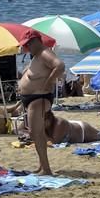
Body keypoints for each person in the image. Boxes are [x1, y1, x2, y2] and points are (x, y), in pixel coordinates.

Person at [18, 29, 65, 175]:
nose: (27, 47)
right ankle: (42, 165)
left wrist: (48, 82)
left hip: (39, 98)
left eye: (28, 44)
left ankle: (46, 169)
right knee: (36, 133)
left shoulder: (45, 53)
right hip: (33, 99)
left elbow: (60, 65)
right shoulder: (37, 55)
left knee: (36, 133)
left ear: (36, 41)